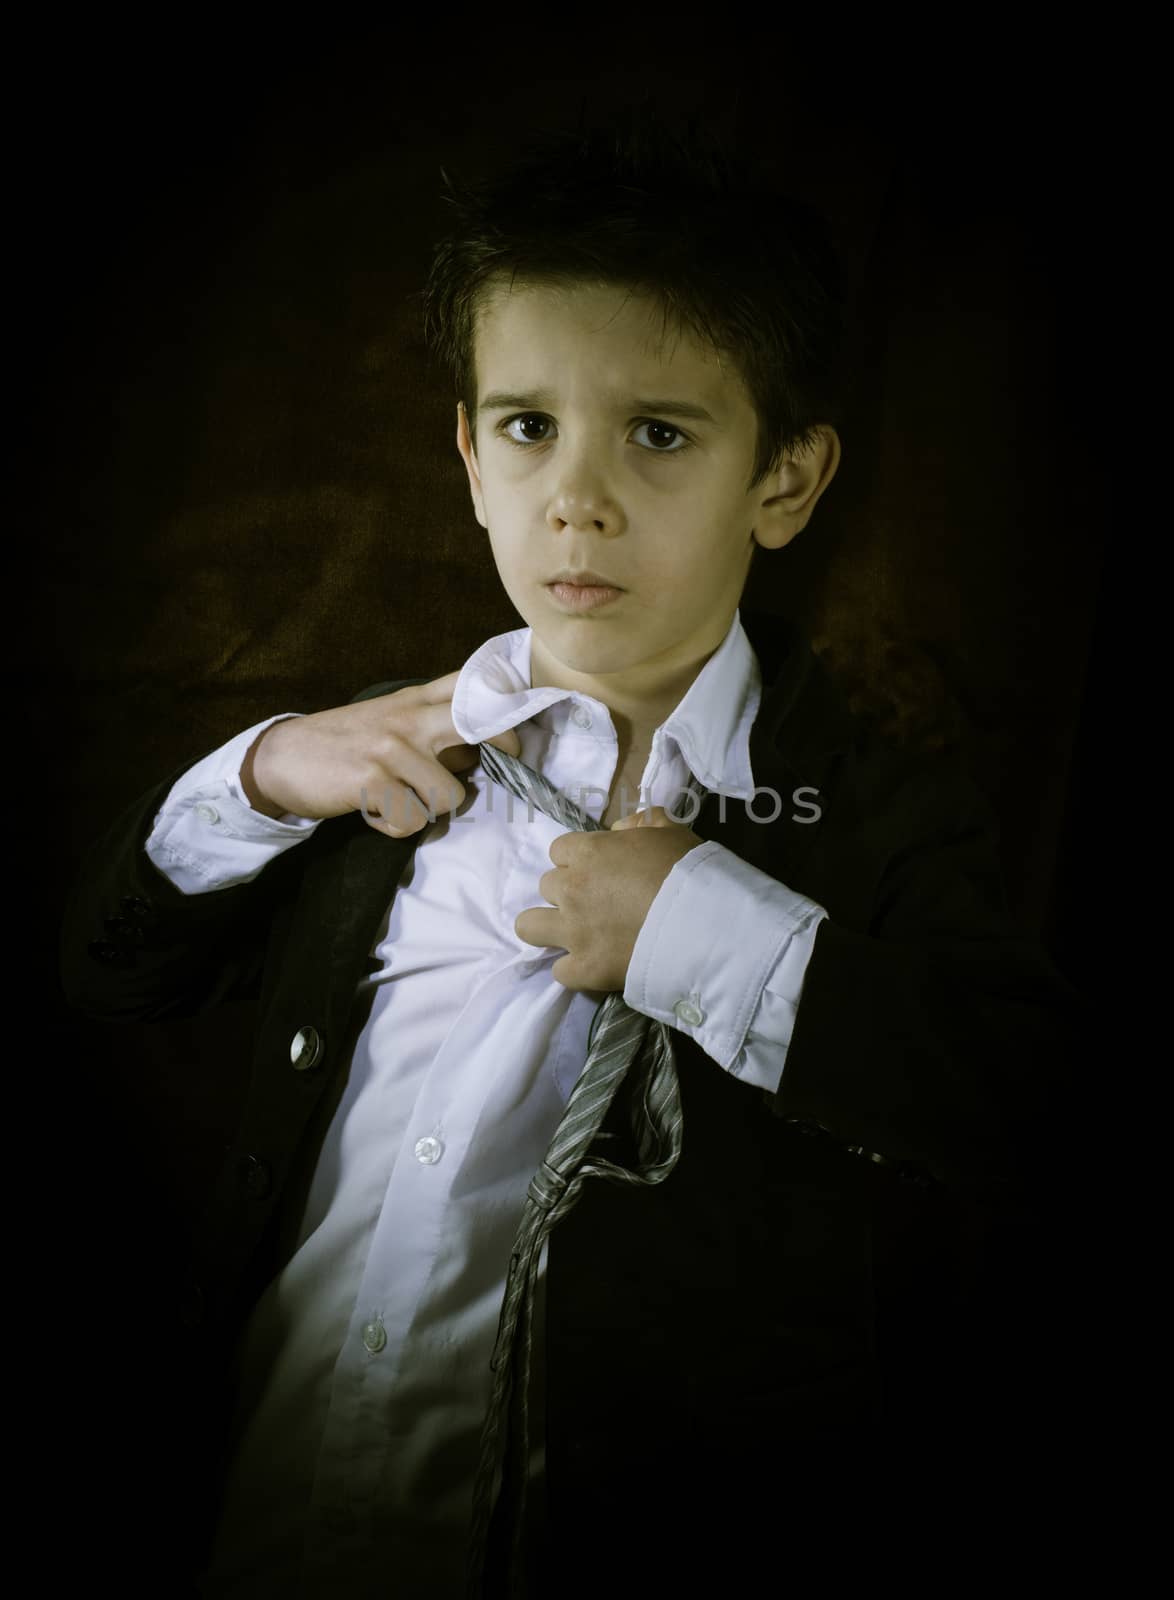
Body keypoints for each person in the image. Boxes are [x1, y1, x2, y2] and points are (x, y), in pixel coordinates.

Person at [61, 110, 1078, 1598]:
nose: (576, 499)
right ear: (470, 455)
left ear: (783, 482)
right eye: (529, 427)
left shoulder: (870, 809)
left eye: (657, 434)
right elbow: (107, 976)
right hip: (267, 1512)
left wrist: (701, 934)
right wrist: (264, 773)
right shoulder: (384, 760)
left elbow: (1028, 1122)